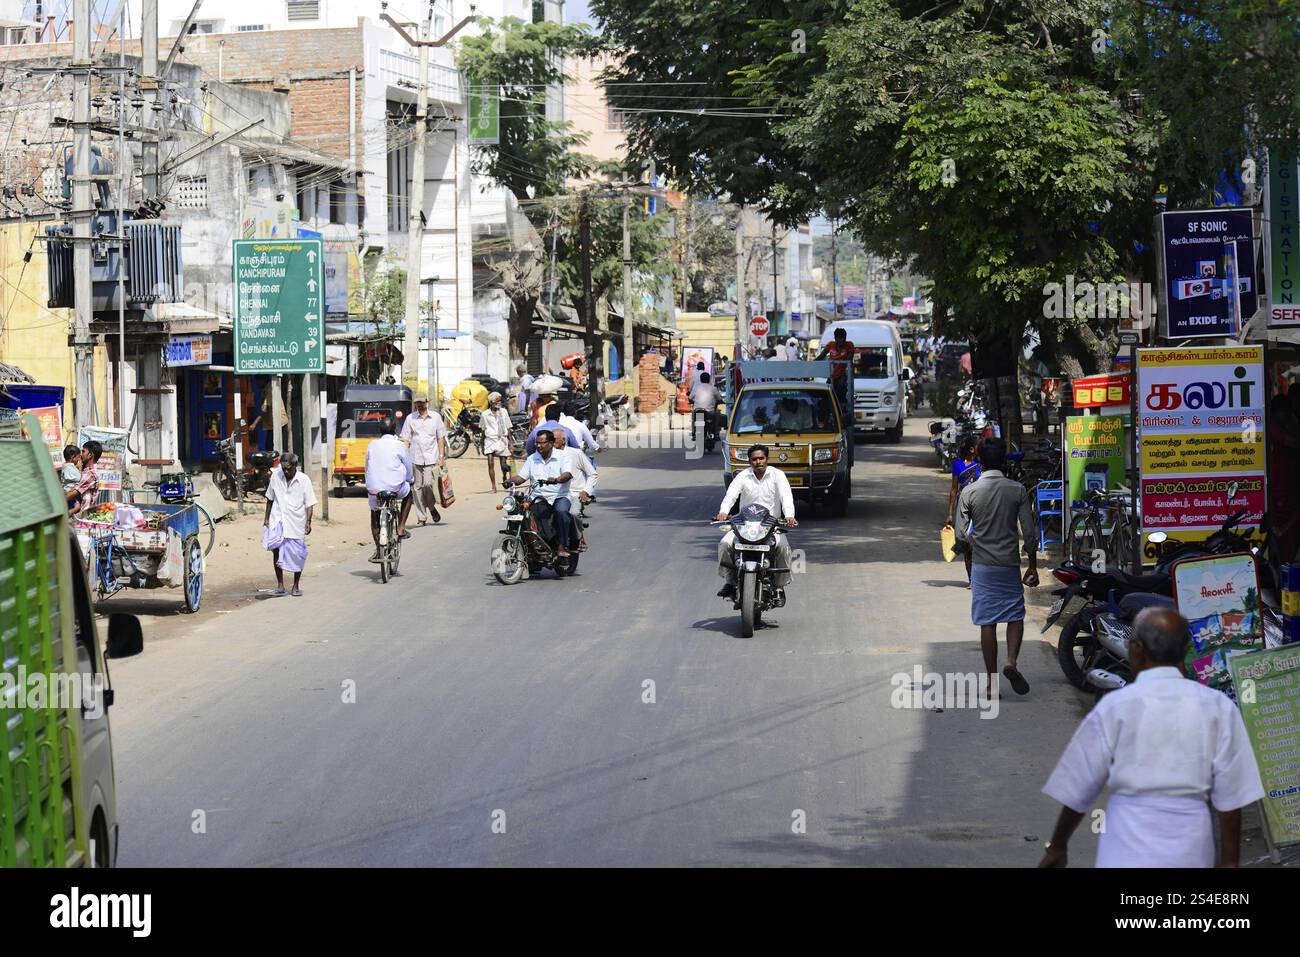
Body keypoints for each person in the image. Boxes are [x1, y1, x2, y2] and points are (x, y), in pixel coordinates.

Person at [1039, 607, 1265, 868]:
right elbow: (1231, 797)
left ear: (1137, 649)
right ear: (1184, 651)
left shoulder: (1115, 708)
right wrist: (1229, 863)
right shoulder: (1218, 707)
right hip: (1191, 849)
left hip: (1125, 850)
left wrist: (1057, 846)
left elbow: (1078, 788)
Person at [954, 436, 1038, 697]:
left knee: (987, 622)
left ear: (979, 458)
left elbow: (958, 534)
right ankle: (1011, 662)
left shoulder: (969, 491)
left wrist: (972, 543)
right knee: (1015, 615)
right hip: (1009, 564)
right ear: (1004, 459)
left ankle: (991, 684)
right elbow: (1030, 532)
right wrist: (1032, 565)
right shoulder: (1017, 490)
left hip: (982, 565)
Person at [714, 444, 797, 604]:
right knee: (724, 544)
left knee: (783, 548)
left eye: (761, 458)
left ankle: (779, 587)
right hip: (744, 525)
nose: (758, 462)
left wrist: (789, 515)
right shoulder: (743, 476)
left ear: (767, 459)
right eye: (754, 459)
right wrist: (723, 511)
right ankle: (730, 583)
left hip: (771, 526)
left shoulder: (777, 475)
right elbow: (731, 494)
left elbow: (786, 496)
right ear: (749, 461)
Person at [509, 429, 574, 558]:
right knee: (522, 512)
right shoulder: (532, 458)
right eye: (537, 443)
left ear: (551, 443)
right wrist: (509, 481)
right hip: (538, 497)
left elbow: (567, 474)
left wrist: (557, 480)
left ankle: (562, 545)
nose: (538, 446)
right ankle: (531, 544)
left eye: (542, 443)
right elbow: (521, 477)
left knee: (561, 512)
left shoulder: (563, 456)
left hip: (559, 496)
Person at [263, 452, 316, 597]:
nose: (285, 471)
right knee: (276, 550)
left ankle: (295, 585)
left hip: (296, 522)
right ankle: (280, 585)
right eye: (283, 468)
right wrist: (266, 519)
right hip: (278, 518)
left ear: (295, 466)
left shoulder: (304, 480)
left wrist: (308, 521)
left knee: (297, 553)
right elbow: (270, 498)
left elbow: (309, 503)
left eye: (288, 468)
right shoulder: (276, 476)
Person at [364, 416, 415, 562]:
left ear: (380, 430)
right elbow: (408, 466)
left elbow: (367, 467)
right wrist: (410, 480)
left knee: (374, 512)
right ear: (395, 430)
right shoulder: (399, 445)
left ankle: (377, 549)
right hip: (396, 488)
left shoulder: (372, 445)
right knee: (408, 494)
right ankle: (401, 528)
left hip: (374, 489)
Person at [400, 393, 447, 526]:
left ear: (427, 402)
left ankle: (431, 507)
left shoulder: (436, 417)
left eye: (422, 402)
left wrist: (441, 457)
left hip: (431, 457)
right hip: (415, 457)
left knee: (427, 485)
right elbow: (406, 439)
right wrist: (404, 457)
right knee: (417, 488)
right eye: (417, 403)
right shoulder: (410, 418)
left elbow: (440, 438)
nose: (419, 405)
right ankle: (422, 517)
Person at [552, 428, 597, 552]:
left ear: (564, 440)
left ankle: (579, 536)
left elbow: (592, 474)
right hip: (553, 494)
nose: (551, 442)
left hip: (574, 493)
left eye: (554, 439)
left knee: (573, 513)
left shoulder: (576, 453)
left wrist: (586, 491)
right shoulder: (547, 455)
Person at [945, 438, 982, 584]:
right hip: (964, 507)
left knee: (979, 543)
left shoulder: (981, 465)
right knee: (966, 544)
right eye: (977, 446)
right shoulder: (958, 465)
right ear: (971, 449)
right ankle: (971, 579)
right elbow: (954, 490)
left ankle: (979, 577)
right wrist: (949, 513)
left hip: (979, 507)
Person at [480, 391, 513, 493]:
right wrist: (482, 444)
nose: (499, 402)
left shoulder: (503, 412)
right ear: (491, 402)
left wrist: (510, 442)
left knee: (503, 465)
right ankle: (493, 487)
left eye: (500, 400)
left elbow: (508, 427)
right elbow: (483, 430)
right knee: (490, 463)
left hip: (502, 439)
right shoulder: (485, 414)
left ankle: (505, 475)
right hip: (490, 440)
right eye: (497, 400)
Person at [816, 327, 855, 410]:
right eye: (838, 339)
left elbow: (849, 361)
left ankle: (841, 412)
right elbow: (822, 355)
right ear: (835, 338)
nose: (840, 341)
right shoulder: (830, 344)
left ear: (845, 338)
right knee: (826, 394)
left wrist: (844, 376)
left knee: (840, 393)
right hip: (832, 375)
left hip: (842, 376)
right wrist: (812, 363)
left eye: (842, 339)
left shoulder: (849, 345)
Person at [67, 440, 102, 515]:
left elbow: (71, 495)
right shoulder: (86, 470)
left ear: (90, 455)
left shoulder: (90, 474)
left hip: (82, 517)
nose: (80, 455)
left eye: (83, 451)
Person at [689, 371, 720, 439]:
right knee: (717, 415)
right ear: (709, 380)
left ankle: (694, 433)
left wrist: (692, 401)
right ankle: (716, 433)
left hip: (698, 411)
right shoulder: (713, 388)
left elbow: (690, 398)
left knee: (694, 418)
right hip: (710, 412)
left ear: (700, 379)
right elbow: (719, 398)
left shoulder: (696, 388)